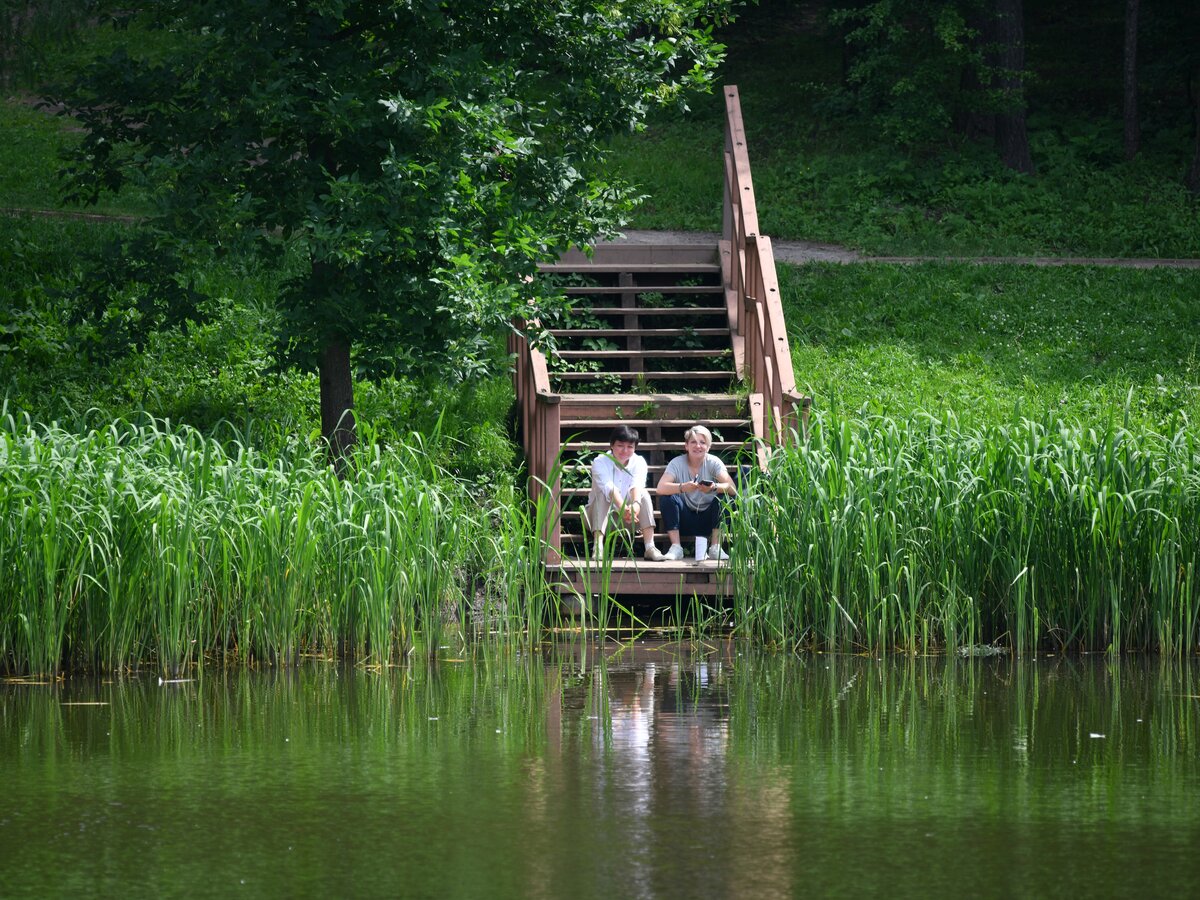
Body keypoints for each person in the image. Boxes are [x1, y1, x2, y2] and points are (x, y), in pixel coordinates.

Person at [655, 424, 736, 561]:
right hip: (684, 518)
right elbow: (660, 488)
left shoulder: (714, 462)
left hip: (710, 519)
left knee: (725, 498)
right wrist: (683, 487)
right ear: (686, 446)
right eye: (693, 442)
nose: (698, 446)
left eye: (702, 442)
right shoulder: (676, 463)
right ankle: (676, 547)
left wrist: (714, 487)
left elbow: (732, 489)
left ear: (708, 447)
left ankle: (715, 547)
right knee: (667, 498)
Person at [586, 425, 666, 562]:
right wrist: (623, 508)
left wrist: (634, 506)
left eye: (630, 447)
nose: (625, 450)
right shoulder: (600, 461)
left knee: (644, 495)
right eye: (620, 445)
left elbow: (637, 485)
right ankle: (598, 547)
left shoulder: (639, 462)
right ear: (611, 445)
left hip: (629, 520)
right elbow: (609, 488)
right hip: (598, 519)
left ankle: (650, 547)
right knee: (602, 494)